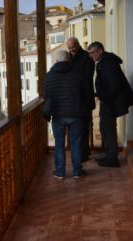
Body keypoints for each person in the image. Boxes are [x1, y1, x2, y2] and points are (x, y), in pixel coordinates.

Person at [44, 50, 91, 179]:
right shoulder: (77, 74)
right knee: (76, 143)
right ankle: (77, 171)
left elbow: (46, 96)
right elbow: (85, 93)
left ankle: (60, 172)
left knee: (59, 144)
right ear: (69, 60)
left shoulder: (50, 76)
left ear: (56, 61)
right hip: (76, 114)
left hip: (57, 114)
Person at [87, 42, 133, 167]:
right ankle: (110, 155)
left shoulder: (108, 63)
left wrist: (105, 97)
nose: (90, 56)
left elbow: (114, 85)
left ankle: (112, 158)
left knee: (108, 129)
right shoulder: (105, 62)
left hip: (110, 102)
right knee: (105, 128)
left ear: (100, 51)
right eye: (90, 53)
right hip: (108, 101)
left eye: (92, 53)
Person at [67, 37, 95, 162]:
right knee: (77, 128)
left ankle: (83, 153)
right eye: (69, 48)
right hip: (74, 99)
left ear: (78, 45)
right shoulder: (68, 57)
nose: (71, 50)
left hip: (85, 97)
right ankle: (82, 152)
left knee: (84, 127)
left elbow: (88, 76)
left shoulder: (87, 57)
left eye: (73, 47)